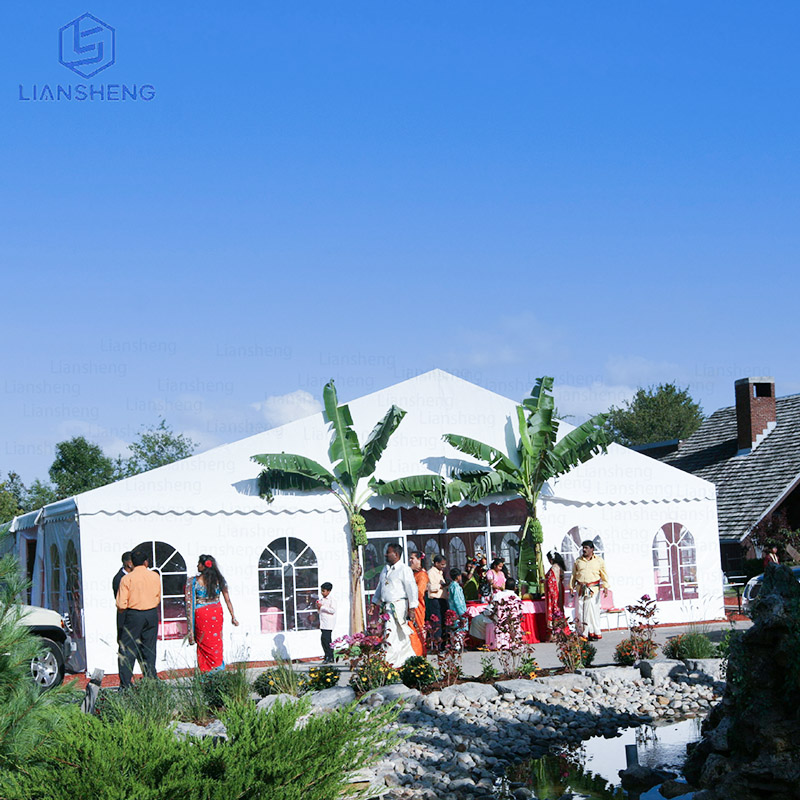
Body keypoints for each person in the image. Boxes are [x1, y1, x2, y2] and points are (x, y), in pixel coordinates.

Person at [116, 547, 161, 688]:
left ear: (132, 563)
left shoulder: (126, 579)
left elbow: (121, 604)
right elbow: (158, 597)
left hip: (134, 614)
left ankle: (126, 683)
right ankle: (151, 678)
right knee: (149, 647)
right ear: (146, 562)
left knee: (127, 649)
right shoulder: (155, 576)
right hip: (152, 613)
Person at [185, 554, 239, 672]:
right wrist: (233, 616)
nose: (197, 565)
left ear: (204, 566)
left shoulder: (194, 581)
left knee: (203, 643)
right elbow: (227, 600)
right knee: (216, 642)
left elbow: (190, 603)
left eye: (199, 563)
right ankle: (218, 670)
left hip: (202, 615)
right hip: (216, 613)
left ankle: (206, 673)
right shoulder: (219, 580)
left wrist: (190, 630)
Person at [369, 543, 418, 667]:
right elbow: (381, 587)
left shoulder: (404, 569)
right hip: (387, 606)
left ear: (396, 554)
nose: (385, 555)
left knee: (390, 632)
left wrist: (412, 608)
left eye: (388, 552)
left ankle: (388, 661)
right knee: (399, 634)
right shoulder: (385, 569)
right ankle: (407, 659)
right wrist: (374, 602)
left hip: (399, 606)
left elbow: (412, 589)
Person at [569, 540, 610, 641]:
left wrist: (605, 586)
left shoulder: (599, 561)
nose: (584, 550)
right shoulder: (578, 561)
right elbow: (573, 575)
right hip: (581, 589)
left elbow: (604, 574)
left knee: (592, 611)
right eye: (583, 547)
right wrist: (571, 587)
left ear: (592, 549)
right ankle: (583, 632)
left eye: (586, 548)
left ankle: (594, 632)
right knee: (581, 611)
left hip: (593, 590)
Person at [545, 550, 570, 637]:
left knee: (554, 610)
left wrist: (545, 581)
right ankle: (561, 629)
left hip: (554, 592)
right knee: (560, 609)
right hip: (560, 590)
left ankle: (555, 632)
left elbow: (551, 582)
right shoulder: (560, 567)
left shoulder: (553, 568)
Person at [426, 554, 448, 651]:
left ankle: (443, 644)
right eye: (442, 564)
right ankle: (437, 645)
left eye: (444, 565)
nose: (443, 566)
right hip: (435, 600)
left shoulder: (440, 572)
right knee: (437, 622)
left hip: (442, 599)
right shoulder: (431, 573)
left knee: (444, 621)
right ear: (436, 563)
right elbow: (430, 587)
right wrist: (440, 586)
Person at [409, 551, 428, 656]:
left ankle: (419, 655)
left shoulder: (422, 575)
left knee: (416, 631)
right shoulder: (413, 573)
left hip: (417, 608)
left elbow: (419, 593)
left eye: (413, 558)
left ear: (419, 560)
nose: (410, 560)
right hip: (411, 606)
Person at [112, 551, 133, 641]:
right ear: (129, 563)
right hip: (125, 616)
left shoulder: (134, 576)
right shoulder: (119, 579)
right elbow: (121, 600)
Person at [316, 582, 336, 663]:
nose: (322, 592)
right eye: (321, 591)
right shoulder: (321, 600)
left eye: (323, 591)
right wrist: (318, 607)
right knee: (323, 640)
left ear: (329, 591)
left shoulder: (332, 600)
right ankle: (328, 655)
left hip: (329, 623)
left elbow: (332, 610)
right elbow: (319, 611)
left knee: (327, 640)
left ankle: (329, 656)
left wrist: (322, 607)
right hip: (323, 623)